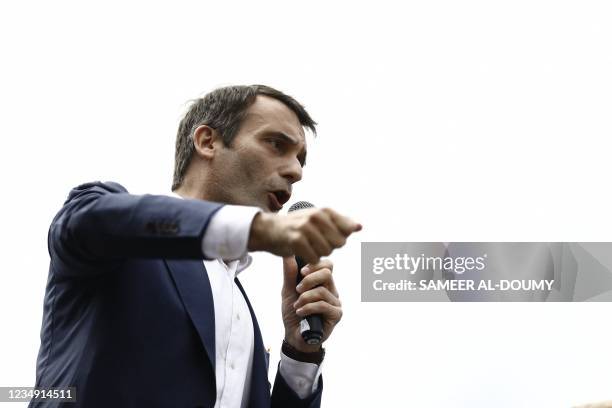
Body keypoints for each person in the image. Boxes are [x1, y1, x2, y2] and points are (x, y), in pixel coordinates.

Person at [30, 85, 362, 408]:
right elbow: (87, 221)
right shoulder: (113, 227)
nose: (296, 171)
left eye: (301, 159)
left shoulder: (247, 319)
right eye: (276, 144)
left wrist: (300, 354)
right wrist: (254, 228)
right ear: (207, 141)